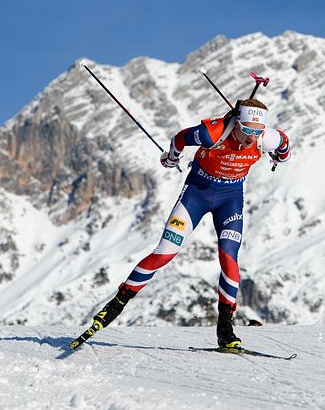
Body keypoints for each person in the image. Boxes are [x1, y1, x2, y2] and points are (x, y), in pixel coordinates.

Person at [87, 99, 291, 348]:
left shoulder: (265, 138)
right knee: (164, 254)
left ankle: (225, 330)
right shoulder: (211, 132)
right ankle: (115, 305)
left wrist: (279, 158)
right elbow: (180, 138)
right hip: (197, 193)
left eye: (257, 132)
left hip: (230, 200)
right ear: (236, 122)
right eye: (247, 130)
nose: (251, 138)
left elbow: (284, 145)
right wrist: (172, 158)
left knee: (229, 258)